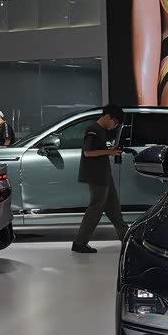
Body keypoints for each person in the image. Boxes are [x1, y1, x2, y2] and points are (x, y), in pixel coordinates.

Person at [71, 104, 129, 254]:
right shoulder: (93, 129)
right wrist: (109, 152)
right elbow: (88, 152)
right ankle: (80, 242)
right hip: (97, 176)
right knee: (95, 210)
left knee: (114, 209)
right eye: (115, 122)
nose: (114, 126)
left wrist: (109, 151)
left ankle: (126, 239)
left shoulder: (101, 131)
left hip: (104, 175)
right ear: (108, 116)